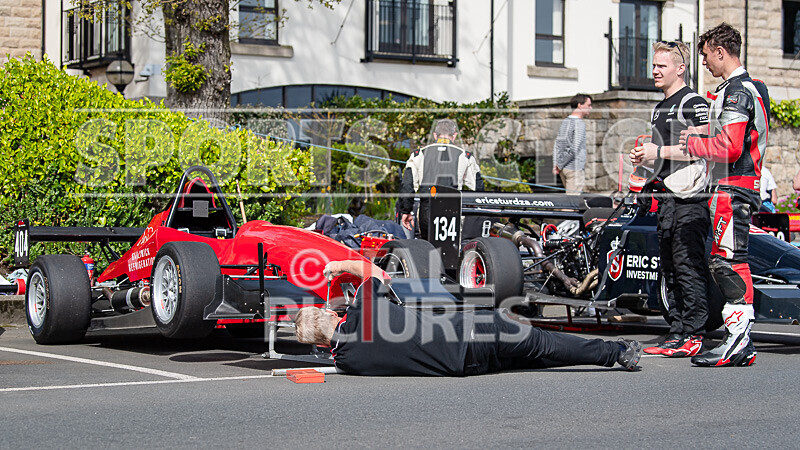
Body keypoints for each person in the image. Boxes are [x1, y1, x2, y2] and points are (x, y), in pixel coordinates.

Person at [294, 259, 643, 376]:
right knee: (542, 342)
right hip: (471, 331)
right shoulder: (363, 307)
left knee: (538, 355)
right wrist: (338, 267)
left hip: (464, 366)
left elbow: (340, 349)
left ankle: (603, 355)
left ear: (321, 344)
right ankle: (617, 353)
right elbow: (374, 272)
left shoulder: (347, 363)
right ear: (329, 312)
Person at [677, 23, 769, 367]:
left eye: (704, 55)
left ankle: (739, 341)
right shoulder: (750, 87)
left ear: (720, 51)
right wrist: (703, 129)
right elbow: (739, 133)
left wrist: (691, 142)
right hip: (738, 187)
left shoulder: (737, 91)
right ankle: (739, 340)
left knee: (728, 261)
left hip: (733, 187)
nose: (704, 63)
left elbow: (729, 147)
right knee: (729, 259)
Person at [629, 41, 711, 358]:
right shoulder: (659, 107)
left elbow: (704, 146)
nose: (654, 71)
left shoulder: (693, 102)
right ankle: (676, 332)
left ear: (680, 68)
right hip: (666, 197)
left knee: (688, 266)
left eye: (661, 66)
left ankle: (695, 334)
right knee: (670, 269)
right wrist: (644, 160)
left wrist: (657, 151)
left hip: (691, 199)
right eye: (653, 65)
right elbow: (662, 158)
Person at [397, 119, 484, 239]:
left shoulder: (418, 154)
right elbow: (478, 188)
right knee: (450, 250)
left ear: (434, 135)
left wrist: (406, 211)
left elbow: (407, 185)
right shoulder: (465, 156)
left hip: (426, 210)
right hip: (452, 210)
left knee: (428, 247)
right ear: (454, 135)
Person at [552, 94, 592, 194]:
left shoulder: (565, 121)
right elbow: (574, 148)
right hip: (574, 169)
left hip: (564, 169)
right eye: (588, 105)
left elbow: (557, 144)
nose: (590, 108)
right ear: (580, 105)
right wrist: (559, 165)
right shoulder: (579, 124)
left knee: (568, 202)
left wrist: (556, 164)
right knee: (572, 205)